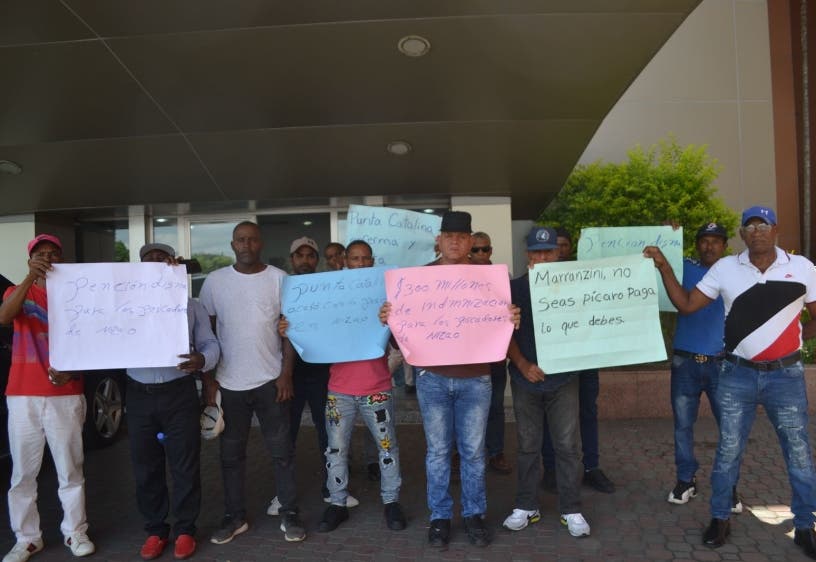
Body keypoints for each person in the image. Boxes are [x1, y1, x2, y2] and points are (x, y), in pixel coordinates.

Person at [644, 206, 816, 557]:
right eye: (750, 226)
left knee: (798, 453)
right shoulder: (726, 268)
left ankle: (804, 524)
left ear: (775, 229)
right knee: (728, 451)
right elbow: (687, 304)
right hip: (737, 373)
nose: (757, 231)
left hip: (786, 376)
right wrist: (663, 266)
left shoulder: (802, 268)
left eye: (763, 224)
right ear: (741, 234)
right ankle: (720, 517)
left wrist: (794, 337)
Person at [379, 211, 519, 548]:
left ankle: (474, 515)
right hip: (433, 379)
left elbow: (502, 329)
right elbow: (403, 342)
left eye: (462, 235)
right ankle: (440, 517)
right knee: (438, 453)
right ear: (439, 241)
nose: (455, 241)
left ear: (471, 241)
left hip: (476, 379)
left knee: (473, 452)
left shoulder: (491, 281)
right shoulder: (416, 281)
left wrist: (512, 319)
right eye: (448, 235)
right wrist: (390, 321)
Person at [198, 221, 306, 544]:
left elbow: (290, 329)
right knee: (231, 455)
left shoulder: (278, 279)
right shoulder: (215, 283)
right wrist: (209, 383)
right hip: (229, 384)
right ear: (232, 245)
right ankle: (235, 517)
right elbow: (206, 335)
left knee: (282, 451)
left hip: (271, 381)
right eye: (240, 240)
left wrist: (286, 374)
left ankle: (289, 512)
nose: (246, 245)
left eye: (252, 240)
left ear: (261, 243)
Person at [0, 234, 95, 561]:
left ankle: (75, 532)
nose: (48, 258)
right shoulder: (18, 292)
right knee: (22, 473)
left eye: (54, 253)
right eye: (41, 254)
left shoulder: (78, 297)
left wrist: (73, 371)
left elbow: (92, 345)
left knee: (70, 469)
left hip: (65, 394)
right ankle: (27, 538)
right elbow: (4, 316)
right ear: (30, 259)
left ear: (62, 259)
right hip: (23, 394)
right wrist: (29, 277)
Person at [301, 240, 407, 532]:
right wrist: (290, 327)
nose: (360, 264)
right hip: (339, 390)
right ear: (345, 261)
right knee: (335, 450)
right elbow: (313, 332)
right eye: (355, 258)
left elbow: (403, 343)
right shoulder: (334, 294)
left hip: (377, 388)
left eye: (365, 259)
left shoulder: (386, 296)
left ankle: (391, 502)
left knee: (387, 448)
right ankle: (337, 503)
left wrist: (394, 320)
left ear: (372, 262)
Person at [126, 243, 220, 560]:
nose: (154, 263)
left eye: (161, 259)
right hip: (138, 393)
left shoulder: (190, 306)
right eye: (147, 260)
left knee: (185, 464)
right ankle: (155, 530)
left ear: (172, 265)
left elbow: (211, 344)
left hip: (178, 391)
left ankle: (184, 530)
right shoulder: (124, 304)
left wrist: (202, 358)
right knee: (145, 466)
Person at [502, 226, 591, 539]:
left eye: (548, 251)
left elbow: (592, 327)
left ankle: (571, 507)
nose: (543, 257)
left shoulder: (576, 287)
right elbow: (503, 335)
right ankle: (527, 504)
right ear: (528, 256)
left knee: (567, 446)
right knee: (528, 446)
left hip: (564, 379)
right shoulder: (512, 288)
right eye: (536, 252)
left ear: (558, 253)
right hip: (525, 379)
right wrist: (523, 364)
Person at [664, 224, 742, 514]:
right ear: (697, 245)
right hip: (685, 362)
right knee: (683, 426)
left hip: (723, 364)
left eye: (716, 242)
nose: (710, 247)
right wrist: (663, 235)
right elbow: (656, 260)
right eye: (704, 242)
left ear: (724, 245)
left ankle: (728, 486)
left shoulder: (736, 272)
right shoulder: (683, 268)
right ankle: (686, 480)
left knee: (730, 429)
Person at [281, 236, 359, 508]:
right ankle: (283, 494)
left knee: (328, 433)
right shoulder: (282, 287)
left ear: (317, 260)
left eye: (310, 255)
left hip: (322, 372)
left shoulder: (328, 287)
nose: (305, 260)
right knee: (286, 434)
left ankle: (334, 486)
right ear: (292, 259)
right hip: (289, 374)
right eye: (299, 255)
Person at [540, 227, 615, 494]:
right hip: (555, 361)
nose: (560, 250)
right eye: (554, 246)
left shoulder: (585, 276)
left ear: (570, 248)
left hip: (585, 360)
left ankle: (591, 467)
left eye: (564, 245)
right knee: (553, 417)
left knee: (587, 412)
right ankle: (551, 469)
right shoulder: (539, 280)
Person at [470, 232, 512, 475]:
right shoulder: (457, 275)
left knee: (495, 406)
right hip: (467, 355)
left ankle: (495, 452)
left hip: (494, 355)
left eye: (484, 249)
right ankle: (459, 453)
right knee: (463, 407)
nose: (480, 254)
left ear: (491, 251)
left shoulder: (501, 277)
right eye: (475, 250)